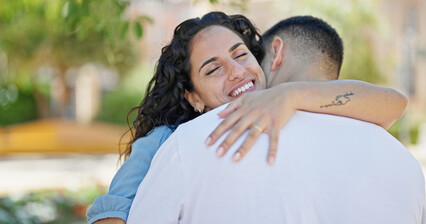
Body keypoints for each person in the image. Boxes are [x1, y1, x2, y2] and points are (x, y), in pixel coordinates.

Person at [87, 13, 407, 224]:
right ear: (193, 97)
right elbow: (112, 212)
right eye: (213, 68)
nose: (237, 71)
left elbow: (393, 103)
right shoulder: (166, 141)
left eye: (241, 55)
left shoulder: (291, 111)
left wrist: (291, 94)